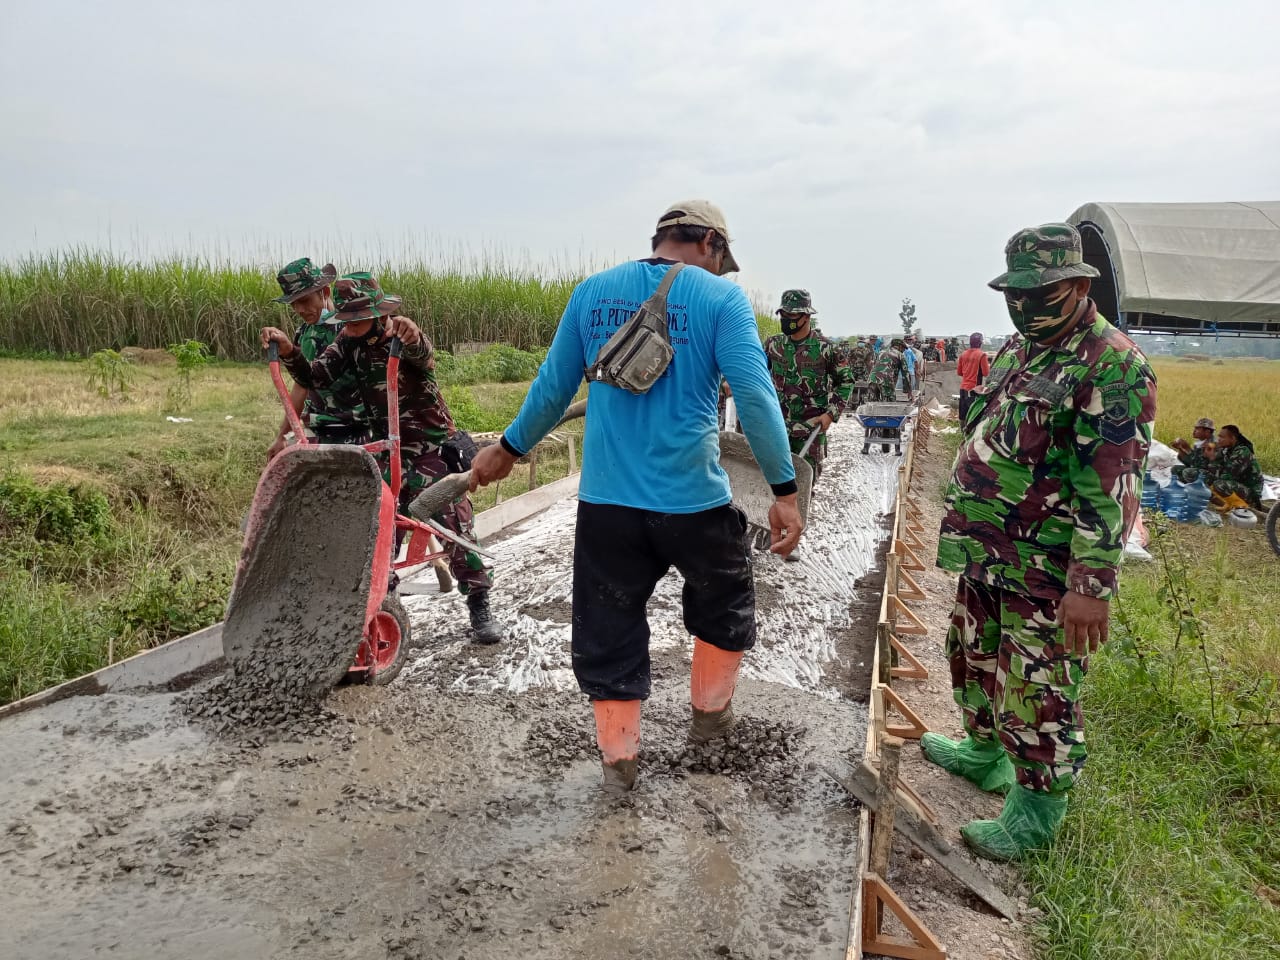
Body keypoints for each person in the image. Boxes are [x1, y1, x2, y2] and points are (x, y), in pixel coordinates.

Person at [466, 200, 802, 794]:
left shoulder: (592, 292)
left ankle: (620, 768)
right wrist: (783, 490)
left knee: (609, 626)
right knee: (723, 608)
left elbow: (552, 387)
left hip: (607, 506)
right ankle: (709, 726)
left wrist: (508, 450)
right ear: (710, 245)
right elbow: (754, 397)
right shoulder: (721, 301)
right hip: (694, 502)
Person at [927, 223, 1156, 862]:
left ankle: (1036, 813)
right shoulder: (1022, 349)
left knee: (1037, 686)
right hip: (987, 553)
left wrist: (1091, 587)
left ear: (1079, 284)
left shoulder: (1112, 364)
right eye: (1015, 292)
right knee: (972, 658)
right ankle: (983, 752)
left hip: (1047, 569)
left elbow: (1112, 486)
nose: (1024, 304)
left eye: (1041, 291)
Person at [261, 273, 502, 644]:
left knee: (453, 524)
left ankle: (479, 604)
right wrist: (291, 353)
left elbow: (425, 354)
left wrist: (414, 334)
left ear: (377, 314)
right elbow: (317, 378)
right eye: (347, 321)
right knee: (379, 529)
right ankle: (378, 604)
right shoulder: (345, 343)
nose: (351, 328)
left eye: (358, 320)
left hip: (428, 447)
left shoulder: (401, 337)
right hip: (387, 448)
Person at [265, 258, 370, 460]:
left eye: (304, 301)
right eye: (294, 304)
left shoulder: (351, 329)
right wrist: (282, 436)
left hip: (355, 429)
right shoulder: (303, 333)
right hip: (318, 428)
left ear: (325, 292)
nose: (300, 310)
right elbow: (301, 386)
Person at [764, 288, 854, 486]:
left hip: (810, 430)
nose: (786, 319)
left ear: (806, 316)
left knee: (805, 487)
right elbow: (756, 373)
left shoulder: (825, 348)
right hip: (778, 428)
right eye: (783, 315)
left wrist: (830, 414)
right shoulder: (773, 345)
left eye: (792, 315)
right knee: (773, 487)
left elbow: (846, 381)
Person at [1212, 424, 1263, 508]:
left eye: (1222, 437)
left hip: (1250, 491)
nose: (1218, 440)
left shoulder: (1242, 452)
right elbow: (1213, 470)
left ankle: (1242, 505)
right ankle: (1224, 500)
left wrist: (1214, 460)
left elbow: (1227, 476)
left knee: (1219, 484)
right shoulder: (1226, 450)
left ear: (1232, 438)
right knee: (1205, 477)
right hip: (1237, 484)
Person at [955, 332, 991, 424]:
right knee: (973, 415)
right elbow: (986, 373)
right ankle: (970, 435)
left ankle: (963, 433)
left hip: (963, 388)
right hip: (974, 390)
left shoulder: (963, 354)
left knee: (963, 415)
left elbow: (959, 372)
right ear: (980, 343)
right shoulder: (982, 355)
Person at [868, 337, 908, 402]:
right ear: (900, 347)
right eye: (903, 349)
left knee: (872, 404)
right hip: (886, 381)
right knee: (889, 404)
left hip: (872, 379)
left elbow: (874, 365)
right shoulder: (900, 355)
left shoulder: (881, 352)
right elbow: (905, 374)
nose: (904, 351)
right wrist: (908, 391)